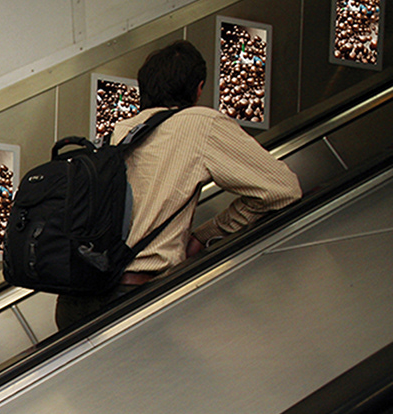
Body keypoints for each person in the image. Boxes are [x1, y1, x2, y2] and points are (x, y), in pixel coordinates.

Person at [54, 40, 301, 329]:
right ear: (198, 88)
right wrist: (205, 234)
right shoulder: (200, 123)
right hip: (134, 298)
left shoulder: (119, 133)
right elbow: (282, 189)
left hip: (72, 300)